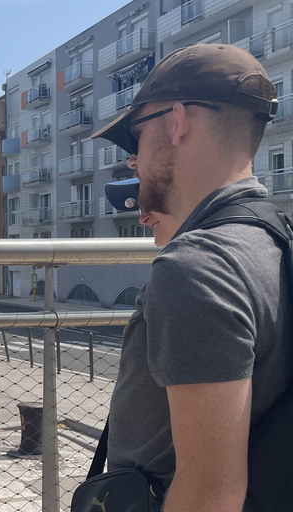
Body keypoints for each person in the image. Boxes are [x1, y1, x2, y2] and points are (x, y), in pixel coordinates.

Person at [92, 44, 290, 510]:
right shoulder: (277, 240)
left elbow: (210, 497)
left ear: (177, 121)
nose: (132, 163)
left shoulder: (197, 268)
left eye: (135, 139)